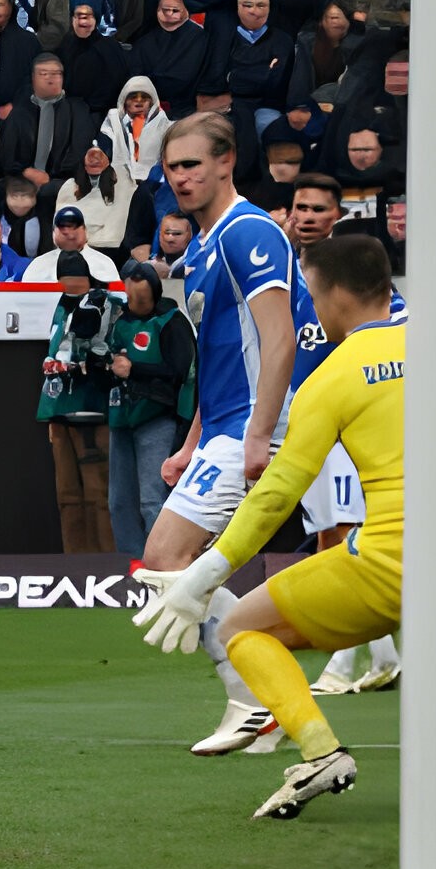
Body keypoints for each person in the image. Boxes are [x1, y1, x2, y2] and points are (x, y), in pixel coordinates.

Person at [134, 236, 436, 820]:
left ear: (332, 292)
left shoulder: (333, 372)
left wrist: (204, 573)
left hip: (394, 567)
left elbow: (276, 493)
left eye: (309, 289)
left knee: (244, 627)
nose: (307, 303)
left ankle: (321, 753)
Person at [134, 112, 300, 758]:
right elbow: (217, 358)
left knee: (168, 559)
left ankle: (257, 692)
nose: (180, 178)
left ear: (226, 162)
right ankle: (261, 689)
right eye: (172, 168)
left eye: (192, 165)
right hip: (225, 428)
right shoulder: (199, 251)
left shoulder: (247, 230)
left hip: (260, 427)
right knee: (167, 562)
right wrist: (191, 442)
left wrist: (260, 435)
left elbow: (279, 337)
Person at [281, 175, 406, 697]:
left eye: (318, 209)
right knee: (333, 535)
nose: (306, 217)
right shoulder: (287, 277)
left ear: (338, 216)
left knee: (346, 538)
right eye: (299, 207)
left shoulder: (364, 284)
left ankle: (339, 663)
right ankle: (385, 657)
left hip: (353, 429)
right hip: (307, 422)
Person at [104, 262, 193, 553]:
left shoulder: (171, 321)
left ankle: (161, 563)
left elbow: (181, 370)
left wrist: (135, 369)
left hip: (157, 414)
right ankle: (130, 564)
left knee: (153, 499)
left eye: (141, 298)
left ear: (154, 294)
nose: (136, 303)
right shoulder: (116, 319)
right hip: (121, 414)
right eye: (131, 296)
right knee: (120, 501)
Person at [37, 250, 116, 553]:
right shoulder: (58, 307)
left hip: (93, 410)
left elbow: (109, 353)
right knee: (67, 495)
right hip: (59, 410)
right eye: (65, 279)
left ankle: (106, 565)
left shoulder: (107, 304)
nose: (70, 285)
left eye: (77, 279)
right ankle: (76, 565)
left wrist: (82, 365)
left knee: (99, 493)